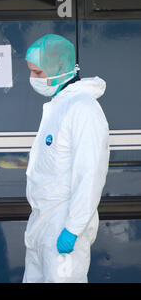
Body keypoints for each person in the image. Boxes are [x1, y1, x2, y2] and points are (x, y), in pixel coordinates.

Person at [23, 34, 110, 282]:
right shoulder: (58, 107)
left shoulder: (83, 109)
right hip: (42, 223)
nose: (33, 79)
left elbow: (90, 174)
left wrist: (72, 229)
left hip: (63, 223)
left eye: (38, 73)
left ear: (59, 68)